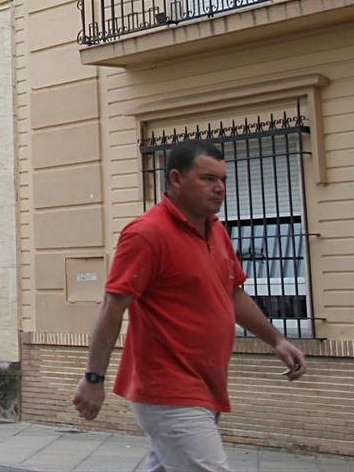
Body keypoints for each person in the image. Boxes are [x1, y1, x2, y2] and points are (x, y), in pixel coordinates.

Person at [73, 139, 307, 471]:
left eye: (223, 180)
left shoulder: (216, 231)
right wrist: (93, 379)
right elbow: (112, 307)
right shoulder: (147, 234)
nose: (219, 189)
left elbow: (233, 294)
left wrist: (277, 340)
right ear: (176, 179)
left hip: (205, 385)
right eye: (208, 179)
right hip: (168, 390)